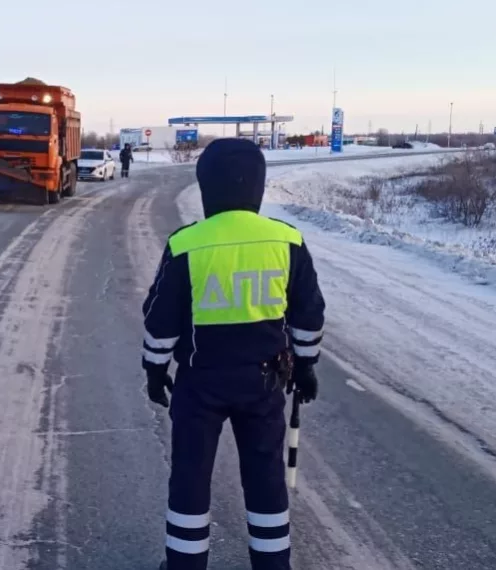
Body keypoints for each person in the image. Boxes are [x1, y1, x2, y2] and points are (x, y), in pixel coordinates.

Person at [141, 138, 325, 570]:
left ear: (207, 187)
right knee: (266, 478)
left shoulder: (187, 244)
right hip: (264, 382)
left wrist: (154, 368)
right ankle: (273, 564)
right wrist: (306, 366)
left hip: (199, 382)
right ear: (258, 186)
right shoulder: (287, 240)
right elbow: (309, 314)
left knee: (191, 477)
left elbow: (160, 319)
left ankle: (185, 565)